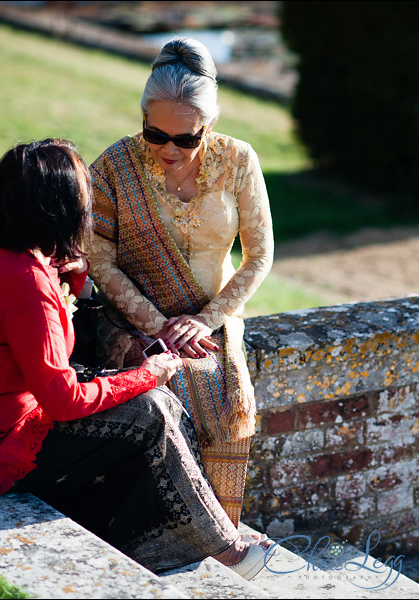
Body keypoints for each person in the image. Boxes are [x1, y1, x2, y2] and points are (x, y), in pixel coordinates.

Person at [0, 139, 268, 579]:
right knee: (152, 412)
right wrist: (146, 374)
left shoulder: (11, 259)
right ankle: (226, 549)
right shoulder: (26, 285)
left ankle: (179, 540)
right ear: (58, 211)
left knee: (164, 407)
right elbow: (63, 401)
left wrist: (74, 274)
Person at [86, 37, 273, 528]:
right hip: (132, 318)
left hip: (213, 317)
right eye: (156, 134)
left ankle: (214, 530)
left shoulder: (238, 162)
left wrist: (205, 320)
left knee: (227, 393)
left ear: (207, 127)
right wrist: (159, 324)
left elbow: (259, 257)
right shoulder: (114, 166)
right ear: (143, 119)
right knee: (164, 395)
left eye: (186, 139)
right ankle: (151, 529)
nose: (169, 150)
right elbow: (98, 260)